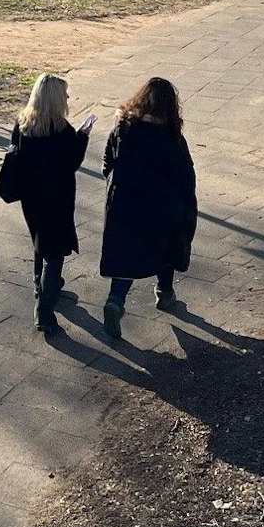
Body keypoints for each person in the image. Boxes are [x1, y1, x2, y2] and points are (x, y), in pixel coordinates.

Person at [97, 77, 197, 339]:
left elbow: (108, 162)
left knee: (126, 260)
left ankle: (115, 301)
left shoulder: (123, 129)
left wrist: (114, 185)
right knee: (165, 251)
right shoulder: (172, 138)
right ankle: (165, 294)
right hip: (159, 210)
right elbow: (186, 178)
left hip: (124, 206)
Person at [0, 74, 90, 339]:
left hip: (32, 199)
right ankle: (44, 311)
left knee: (39, 241)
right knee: (55, 253)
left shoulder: (23, 124)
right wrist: (83, 136)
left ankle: (41, 285)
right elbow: (71, 163)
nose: (68, 99)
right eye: (65, 96)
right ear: (56, 100)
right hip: (56, 199)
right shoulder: (63, 131)